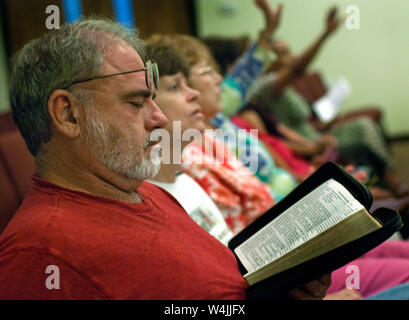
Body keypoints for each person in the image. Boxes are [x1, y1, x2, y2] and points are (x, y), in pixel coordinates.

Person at [0, 18, 331, 300]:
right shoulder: (37, 255)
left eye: (154, 99)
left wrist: (281, 291)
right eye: (136, 101)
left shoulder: (146, 190)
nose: (159, 119)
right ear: (69, 114)